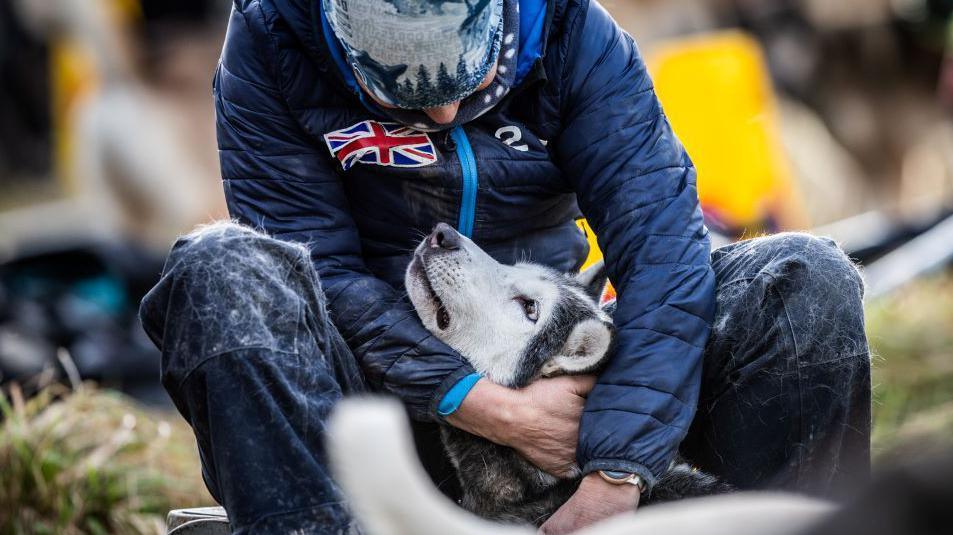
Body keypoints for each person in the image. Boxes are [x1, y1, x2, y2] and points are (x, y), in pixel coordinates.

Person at [139, 0, 872, 533]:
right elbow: (319, 273)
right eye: (405, 97)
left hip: (568, 387)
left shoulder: (571, 34)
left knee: (804, 280)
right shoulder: (272, 42)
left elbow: (663, 254)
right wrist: (487, 406)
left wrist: (617, 469)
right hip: (373, 397)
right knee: (222, 269)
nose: (447, 115)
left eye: (469, 81)